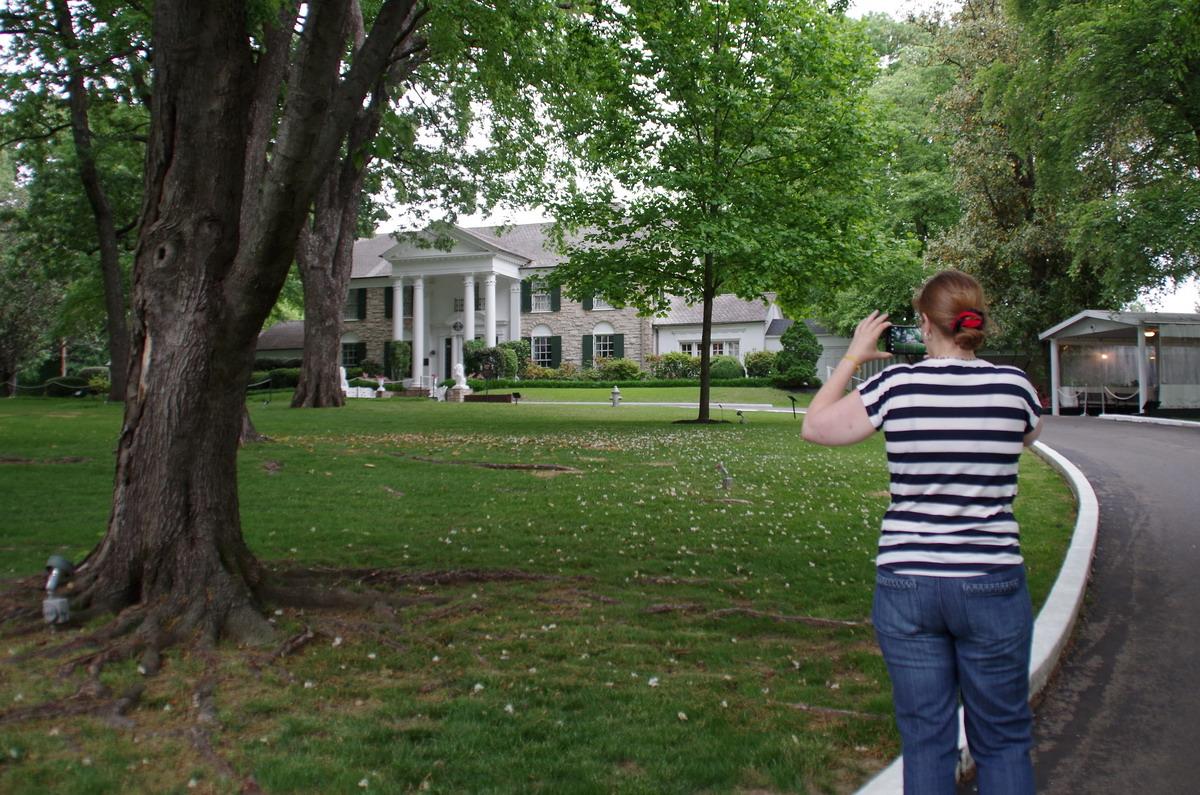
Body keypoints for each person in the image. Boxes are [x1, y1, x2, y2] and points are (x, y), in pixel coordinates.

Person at [802, 270, 1042, 794]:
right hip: (992, 581)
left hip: (908, 582)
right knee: (1003, 739)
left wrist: (853, 358)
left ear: (925, 324)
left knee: (926, 740)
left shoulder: (896, 385)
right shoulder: (1014, 386)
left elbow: (815, 427)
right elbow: (1027, 435)